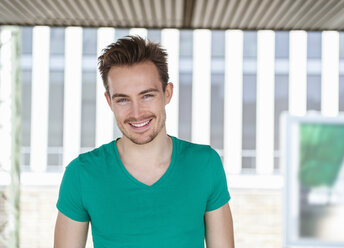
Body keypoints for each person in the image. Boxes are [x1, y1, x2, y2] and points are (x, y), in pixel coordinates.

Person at [54, 35, 234, 248]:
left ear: (167, 93)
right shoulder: (82, 174)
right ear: (109, 101)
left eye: (147, 96)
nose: (136, 113)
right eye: (123, 99)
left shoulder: (205, 164)